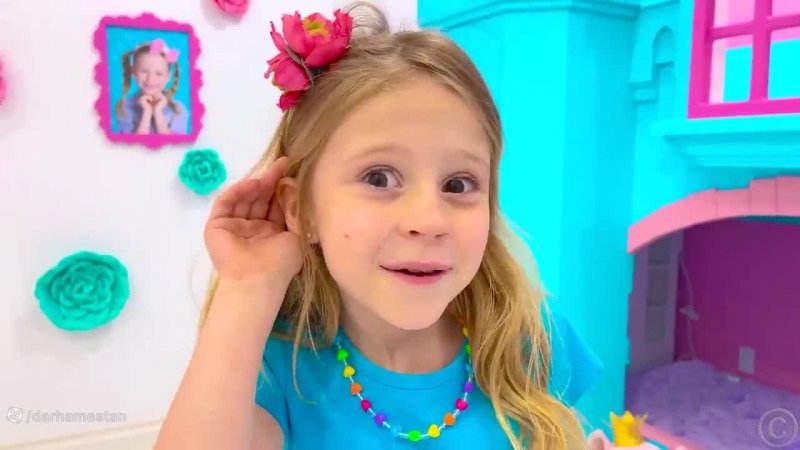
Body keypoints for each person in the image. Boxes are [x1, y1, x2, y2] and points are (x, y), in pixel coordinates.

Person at [155, 3, 602, 449]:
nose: (428, 221)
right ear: (302, 210)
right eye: (379, 178)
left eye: (458, 184)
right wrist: (249, 286)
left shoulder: (529, 338)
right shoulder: (277, 369)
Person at [115, 38, 187, 135]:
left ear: (168, 77)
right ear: (134, 72)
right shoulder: (124, 108)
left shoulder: (178, 109)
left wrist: (158, 113)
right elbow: (132, 144)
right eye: (144, 71)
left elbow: (173, 144)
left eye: (158, 73)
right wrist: (146, 113)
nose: (150, 79)